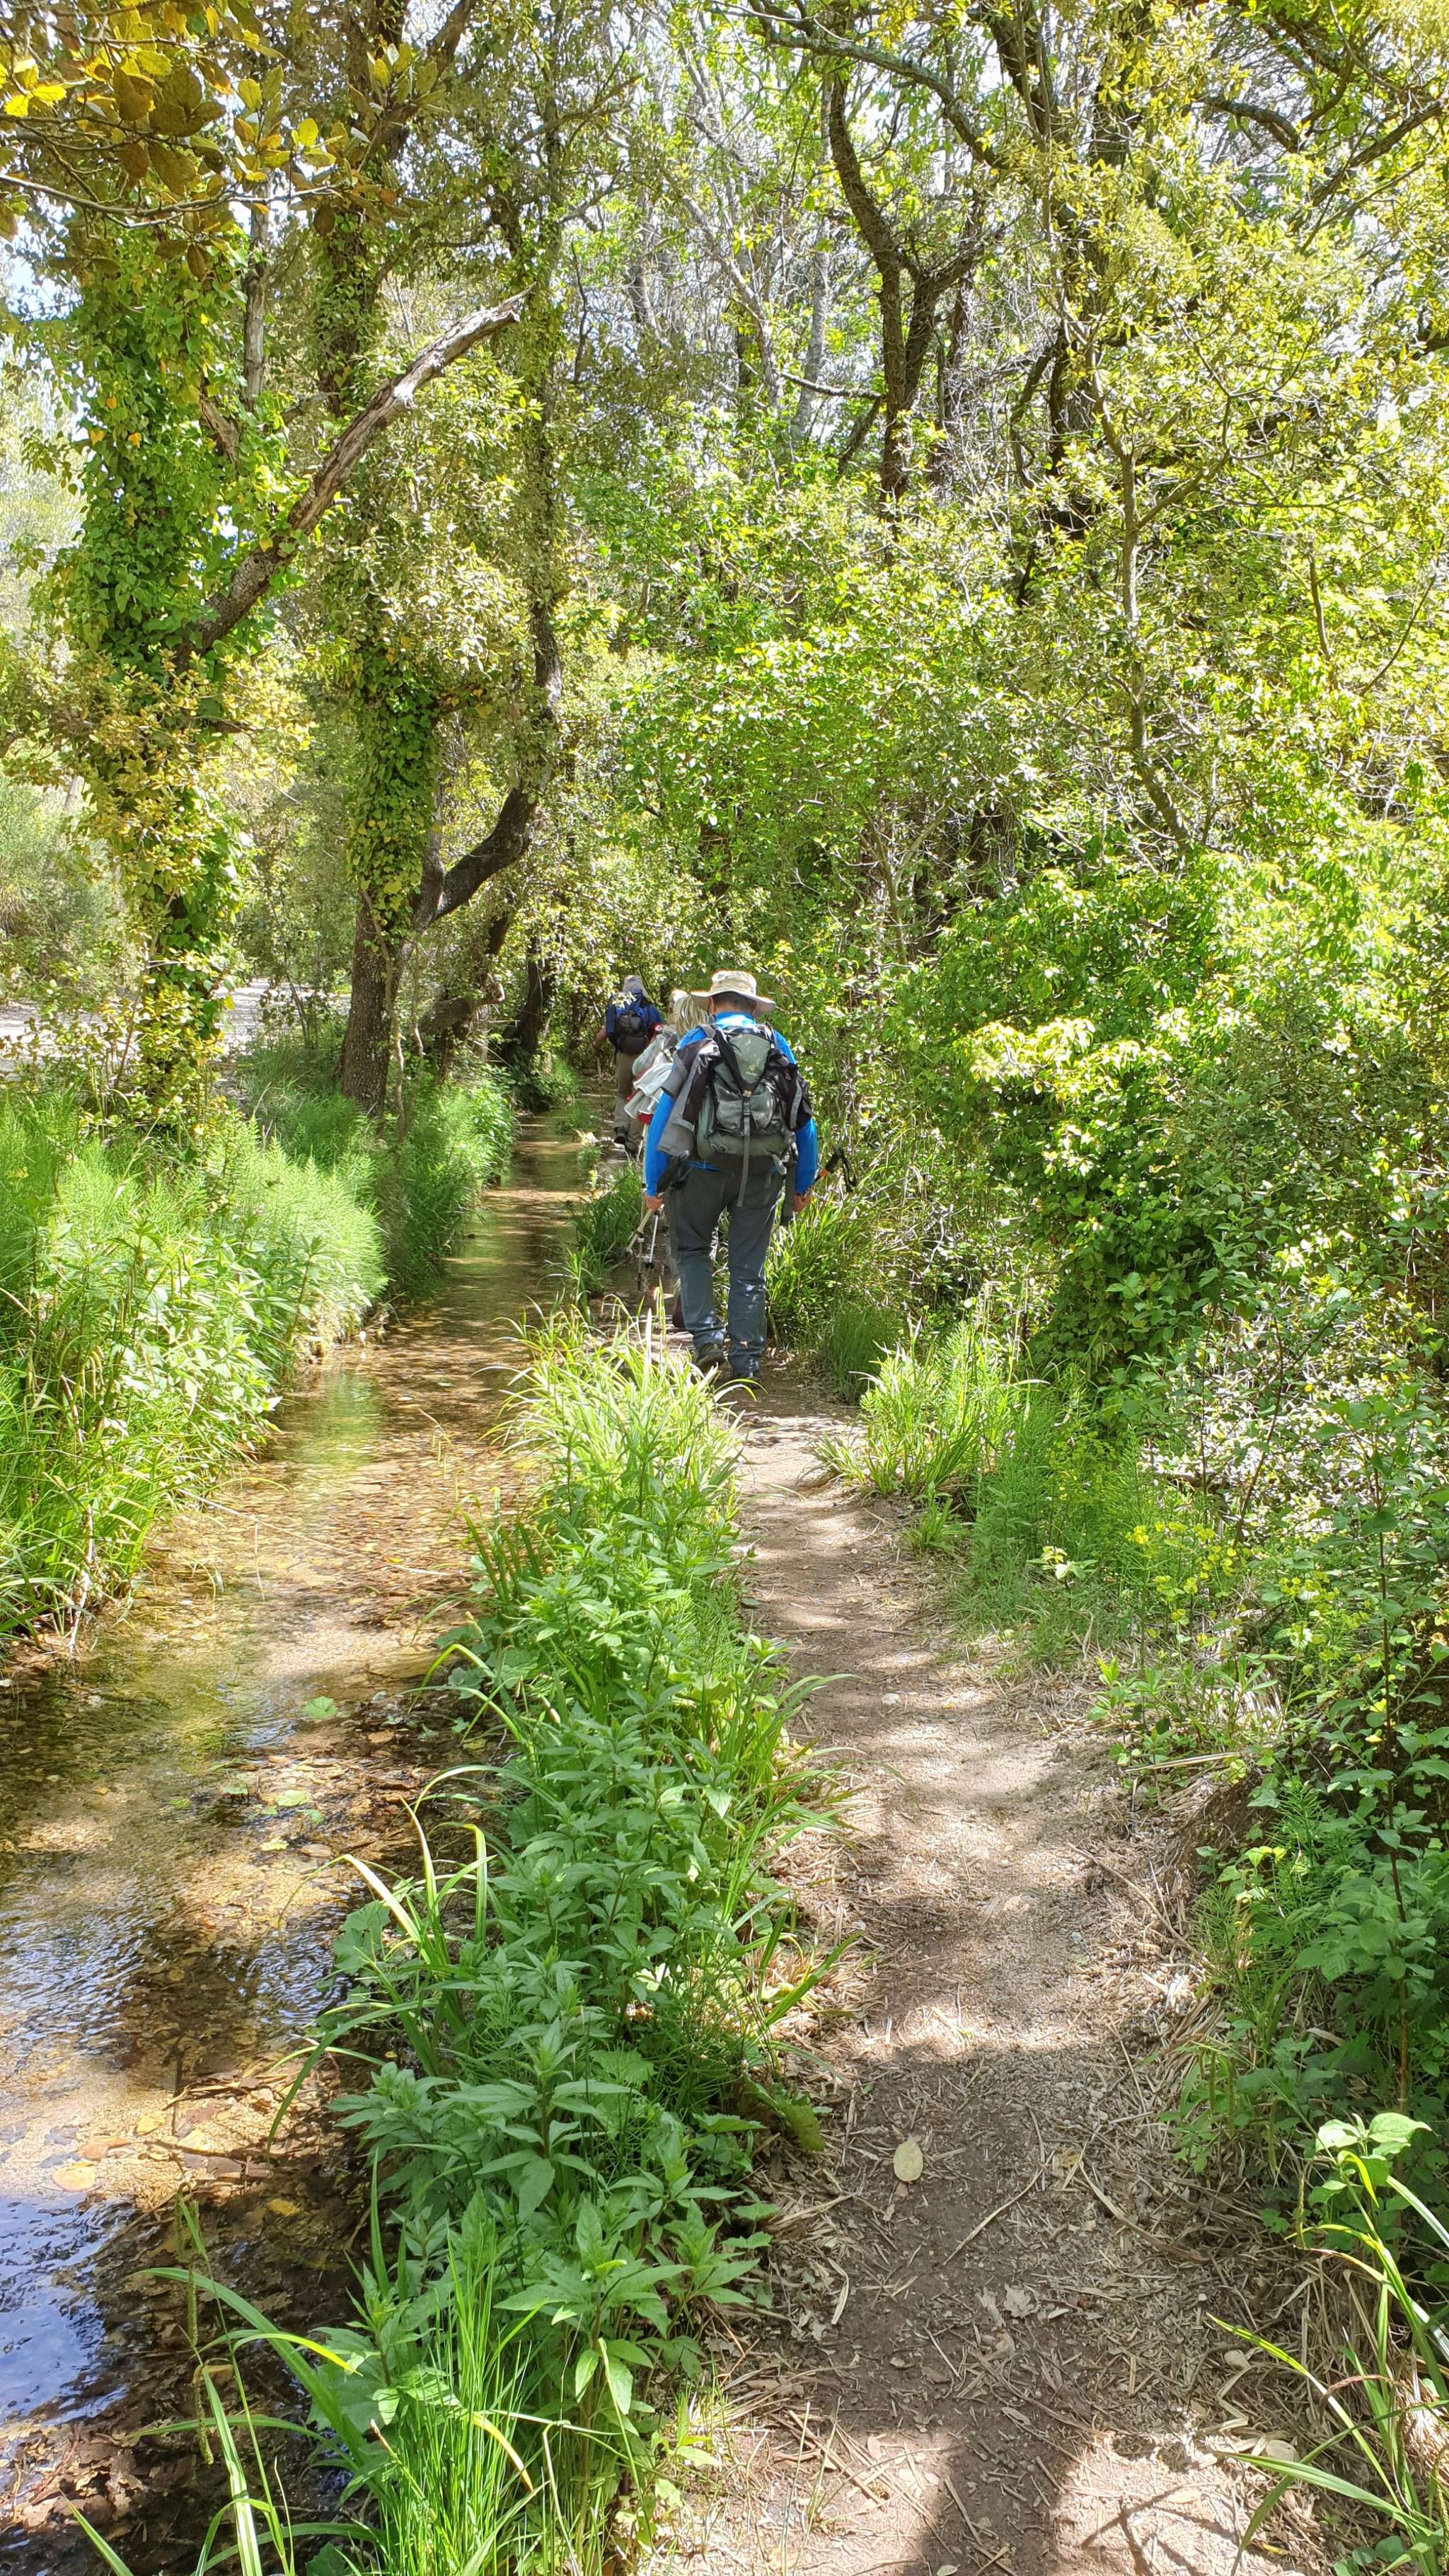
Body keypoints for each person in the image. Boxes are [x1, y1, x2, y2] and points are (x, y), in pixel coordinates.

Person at [642, 968, 818, 1384]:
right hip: (761, 1175)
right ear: (754, 1007)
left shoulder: (696, 1041)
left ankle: (707, 1341)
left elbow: (664, 1115)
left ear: (712, 1004)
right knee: (748, 1268)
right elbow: (803, 1120)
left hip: (699, 1172)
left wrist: (653, 1182)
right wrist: (802, 1184)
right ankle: (747, 1361)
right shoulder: (776, 1044)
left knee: (692, 1251)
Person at [599, 974, 663, 1143]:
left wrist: (597, 1045)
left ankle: (621, 1127)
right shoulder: (648, 1007)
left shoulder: (616, 1005)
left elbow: (607, 1032)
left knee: (622, 1093)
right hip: (644, 1058)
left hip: (623, 1056)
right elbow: (659, 1031)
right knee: (639, 1095)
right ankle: (634, 1142)